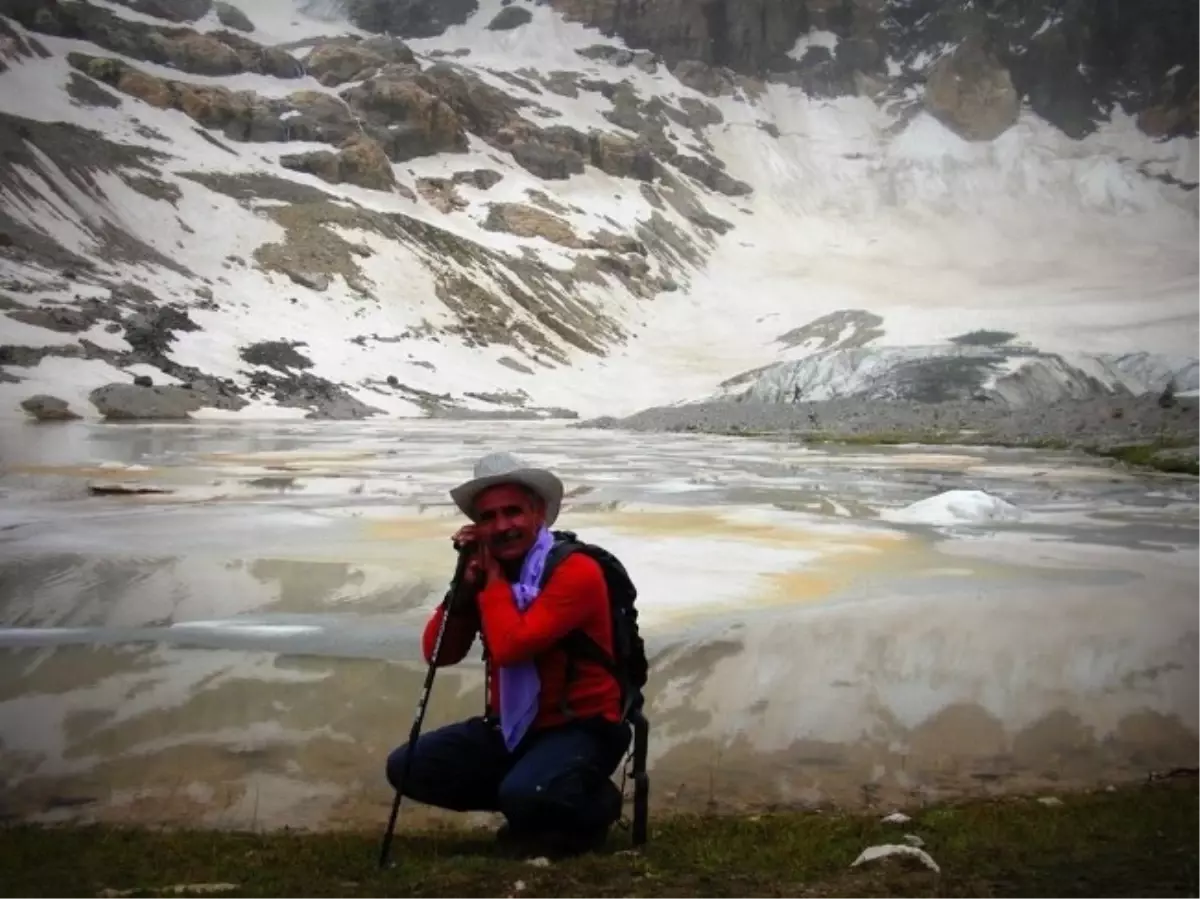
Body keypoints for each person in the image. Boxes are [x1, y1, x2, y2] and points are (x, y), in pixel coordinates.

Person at [385, 451, 632, 856]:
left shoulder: (576, 571)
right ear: (477, 526)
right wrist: (465, 591)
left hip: (584, 727)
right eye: (489, 517)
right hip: (513, 729)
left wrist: (492, 583)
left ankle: (586, 803)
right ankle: (537, 796)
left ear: (538, 513)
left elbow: (512, 647)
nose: (503, 526)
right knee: (408, 765)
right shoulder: (488, 574)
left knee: (526, 792)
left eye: (513, 512)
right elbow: (438, 653)